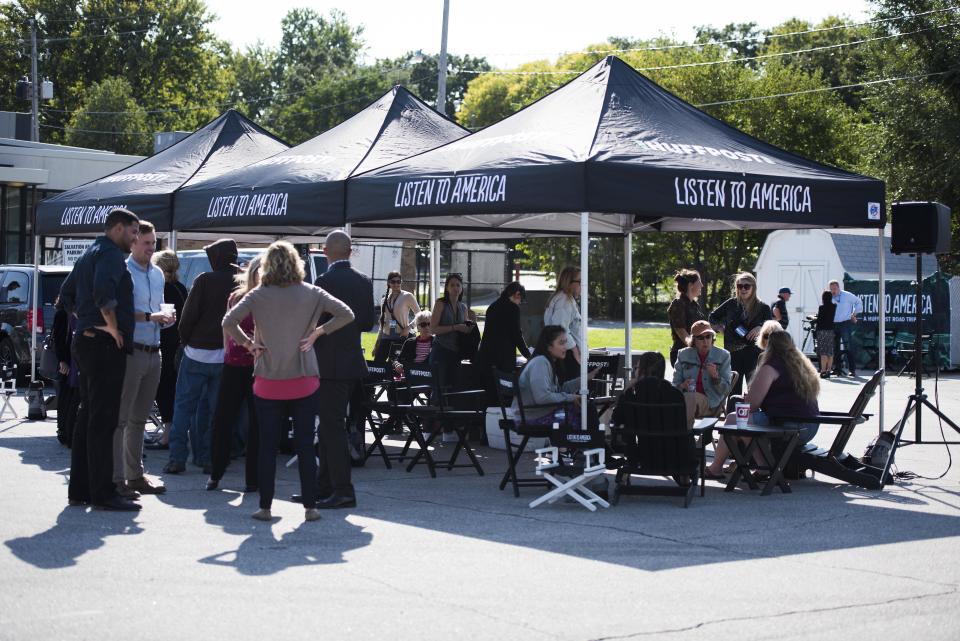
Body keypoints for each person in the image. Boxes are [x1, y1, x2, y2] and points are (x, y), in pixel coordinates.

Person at [224, 241, 353, 521]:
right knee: (306, 446)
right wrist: (319, 332)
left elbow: (228, 322)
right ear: (297, 263)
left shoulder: (258, 295)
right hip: (304, 378)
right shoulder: (312, 292)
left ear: (267, 265)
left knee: (267, 448)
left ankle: (265, 507)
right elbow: (347, 313)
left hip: (268, 378)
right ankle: (310, 507)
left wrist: (248, 345)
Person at [59, 208, 140, 511]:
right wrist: (110, 326)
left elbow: (66, 295)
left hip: (88, 343)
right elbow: (104, 292)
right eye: (133, 232)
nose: (134, 239)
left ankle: (80, 489)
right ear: (118, 229)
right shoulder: (109, 254)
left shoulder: (89, 253)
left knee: (89, 417)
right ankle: (103, 493)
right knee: (103, 421)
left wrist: (87, 321)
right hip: (103, 346)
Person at [312, 230, 375, 508]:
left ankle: (342, 489)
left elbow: (316, 321)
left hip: (328, 363)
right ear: (350, 252)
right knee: (329, 426)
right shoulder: (363, 281)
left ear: (326, 252)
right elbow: (366, 322)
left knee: (332, 427)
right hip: (351, 362)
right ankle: (323, 486)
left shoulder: (324, 280)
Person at [165, 239, 238, 475]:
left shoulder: (205, 280)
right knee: (216, 412)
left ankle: (177, 458)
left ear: (215, 257)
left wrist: (184, 342)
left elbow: (187, 317)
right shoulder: (241, 281)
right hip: (225, 356)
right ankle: (208, 458)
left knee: (184, 408)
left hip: (196, 353)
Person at [704, 330, 820, 479]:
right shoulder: (802, 366)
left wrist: (749, 398)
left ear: (769, 346)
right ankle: (761, 466)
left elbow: (751, 405)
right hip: (810, 426)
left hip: (789, 425)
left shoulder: (771, 366)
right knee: (744, 423)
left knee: (735, 419)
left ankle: (717, 468)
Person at [113, 220, 173, 499]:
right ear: (134, 241)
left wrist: (164, 318)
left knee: (139, 420)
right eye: (146, 243)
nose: (152, 248)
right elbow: (120, 313)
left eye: (154, 243)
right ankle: (118, 479)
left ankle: (135, 476)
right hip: (133, 350)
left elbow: (155, 309)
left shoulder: (158, 273)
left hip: (154, 349)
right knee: (122, 419)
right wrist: (151, 317)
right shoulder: (124, 271)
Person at [207, 255, 262, 492]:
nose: (264, 274)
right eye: (260, 270)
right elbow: (226, 328)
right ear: (252, 273)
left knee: (257, 424)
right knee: (222, 420)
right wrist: (225, 354)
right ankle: (216, 473)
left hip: (259, 368)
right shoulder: (237, 297)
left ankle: (253, 479)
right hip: (233, 364)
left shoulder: (270, 298)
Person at [513, 325, 598, 428]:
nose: (565, 347)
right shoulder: (540, 363)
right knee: (584, 414)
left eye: (565, 342)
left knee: (587, 410)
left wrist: (585, 379)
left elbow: (559, 390)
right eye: (561, 343)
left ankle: (588, 443)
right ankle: (589, 443)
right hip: (531, 418)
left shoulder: (546, 361)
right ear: (549, 346)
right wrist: (571, 398)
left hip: (536, 414)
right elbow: (543, 398)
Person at [708, 272, 772, 396]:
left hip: (754, 353)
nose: (743, 289)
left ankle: (753, 414)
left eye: (746, 286)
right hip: (733, 352)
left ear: (753, 287)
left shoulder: (763, 307)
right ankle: (732, 413)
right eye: (739, 286)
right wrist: (721, 328)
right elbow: (712, 317)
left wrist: (760, 327)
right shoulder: (731, 304)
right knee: (733, 389)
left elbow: (771, 327)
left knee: (753, 388)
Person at [150, 249, 188, 449]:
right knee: (174, 389)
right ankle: (171, 431)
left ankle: (167, 433)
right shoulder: (181, 287)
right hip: (180, 344)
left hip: (165, 344)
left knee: (164, 388)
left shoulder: (163, 288)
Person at [476, 282, 531, 403]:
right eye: (521, 300)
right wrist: (528, 355)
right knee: (503, 395)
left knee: (490, 395)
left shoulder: (493, 306)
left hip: (486, 357)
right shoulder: (513, 309)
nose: (520, 303)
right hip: (502, 360)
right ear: (517, 294)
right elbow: (516, 335)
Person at [672, 320, 733, 429]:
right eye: (700, 337)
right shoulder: (683, 354)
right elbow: (674, 385)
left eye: (708, 336)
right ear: (693, 340)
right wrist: (682, 386)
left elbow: (726, 390)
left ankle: (685, 437)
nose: (705, 341)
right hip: (685, 400)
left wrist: (715, 377)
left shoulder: (723, 356)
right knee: (668, 399)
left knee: (690, 398)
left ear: (713, 338)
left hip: (711, 402)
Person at [429, 273, 476, 394]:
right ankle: (436, 411)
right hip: (440, 350)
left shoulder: (463, 307)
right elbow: (433, 329)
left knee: (453, 388)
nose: (455, 288)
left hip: (456, 353)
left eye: (458, 285)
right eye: (452, 285)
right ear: (447, 288)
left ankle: (450, 412)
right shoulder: (440, 303)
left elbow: (464, 331)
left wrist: (471, 326)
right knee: (438, 388)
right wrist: (455, 327)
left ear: (461, 288)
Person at [543, 266, 583, 381]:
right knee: (569, 392)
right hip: (566, 355)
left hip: (565, 353)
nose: (583, 285)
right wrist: (574, 349)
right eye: (580, 281)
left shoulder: (564, 298)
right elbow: (560, 329)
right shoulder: (564, 301)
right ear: (569, 282)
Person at [373, 270, 421, 363]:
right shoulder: (384, 300)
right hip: (386, 336)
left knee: (395, 365)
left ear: (401, 282)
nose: (396, 284)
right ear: (388, 283)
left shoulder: (407, 296)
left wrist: (409, 327)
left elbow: (419, 315)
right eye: (393, 282)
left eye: (398, 281)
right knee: (378, 363)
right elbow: (382, 323)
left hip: (401, 336)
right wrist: (377, 343)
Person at [52, 297, 79, 448]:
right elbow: (58, 338)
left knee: (68, 396)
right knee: (65, 397)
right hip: (67, 361)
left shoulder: (72, 312)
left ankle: (66, 430)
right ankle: (63, 430)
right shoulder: (62, 314)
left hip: (73, 360)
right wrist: (62, 360)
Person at [666, 269, 706, 366]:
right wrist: (693, 345)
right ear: (690, 285)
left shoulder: (694, 305)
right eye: (699, 282)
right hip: (682, 355)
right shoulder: (678, 304)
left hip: (695, 353)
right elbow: (681, 331)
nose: (702, 285)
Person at [829, 279, 863, 376]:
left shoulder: (847, 295)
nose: (833, 291)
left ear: (839, 288)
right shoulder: (829, 297)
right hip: (834, 324)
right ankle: (836, 368)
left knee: (848, 346)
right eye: (831, 289)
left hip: (845, 323)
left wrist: (854, 313)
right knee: (835, 347)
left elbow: (858, 302)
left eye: (834, 289)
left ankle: (852, 370)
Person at [816, 290, 837, 378]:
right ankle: (829, 369)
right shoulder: (834, 306)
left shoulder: (821, 307)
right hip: (830, 330)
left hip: (822, 330)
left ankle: (823, 370)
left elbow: (819, 319)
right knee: (830, 351)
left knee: (823, 351)